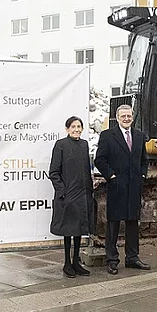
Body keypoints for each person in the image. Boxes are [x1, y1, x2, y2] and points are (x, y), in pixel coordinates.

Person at [94, 104, 150, 275]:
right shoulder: (107, 136)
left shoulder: (139, 136)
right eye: (123, 116)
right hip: (116, 186)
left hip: (134, 186)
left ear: (132, 117)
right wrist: (111, 176)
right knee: (113, 224)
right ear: (117, 117)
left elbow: (144, 160)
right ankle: (112, 260)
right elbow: (100, 160)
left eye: (129, 116)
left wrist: (142, 176)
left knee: (133, 223)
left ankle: (132, 257)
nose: (126, 119)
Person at [49, 116, 94, 278]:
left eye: (79, 126)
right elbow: (54, 172)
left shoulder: (84, 145)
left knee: (79, 231)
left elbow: (85, 170)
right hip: (68, 196)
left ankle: (76, 262)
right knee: (68, 231)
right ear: (67, 129)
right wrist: (62, 192)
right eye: (73, 126)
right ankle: (67, 263)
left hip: (82, 196)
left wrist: (89, 190)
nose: (76, 129)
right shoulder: (61, 145)